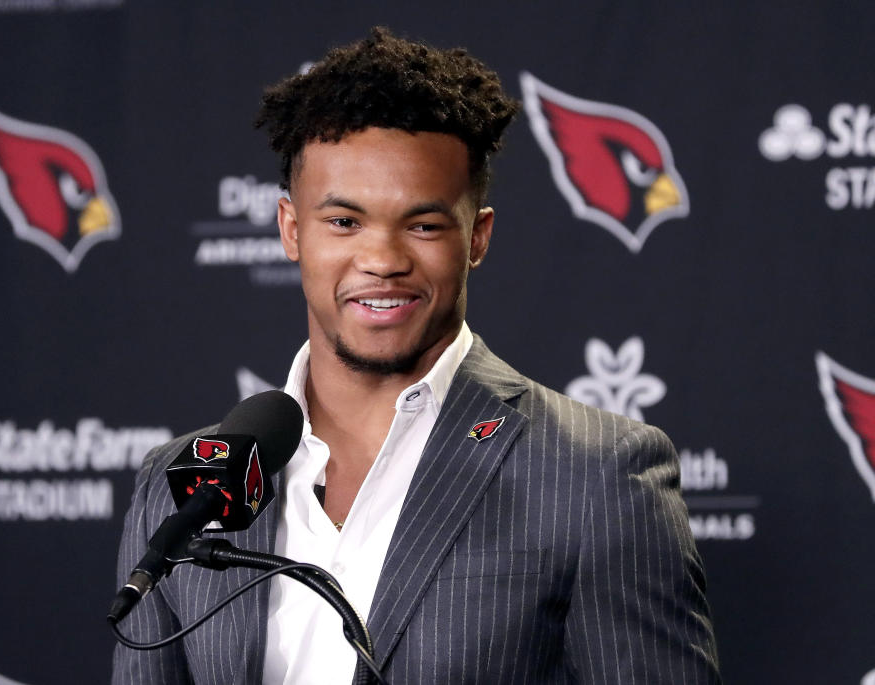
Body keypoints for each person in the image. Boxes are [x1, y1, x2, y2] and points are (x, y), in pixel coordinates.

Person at [113, 27, 720, 684]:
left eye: (424, 225)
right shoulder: (178, 483)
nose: (382, 260)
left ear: (477, 237)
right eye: (344, 222)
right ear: (291, 229)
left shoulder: (596, 477)